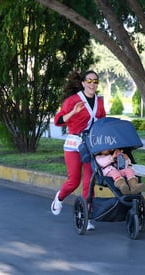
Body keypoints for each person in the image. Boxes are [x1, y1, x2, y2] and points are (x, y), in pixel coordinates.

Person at [51, 70, 106, 230]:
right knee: (74, 181)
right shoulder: (72, 100)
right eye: (89, 81)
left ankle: (86, 217)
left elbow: (102, 122)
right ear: (83, 83)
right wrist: (73, 112)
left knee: (89, 183)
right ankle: (59, 198)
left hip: (91, 146)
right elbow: (58, 121)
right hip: (74, 144)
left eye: (95, 81)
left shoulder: (99, 102)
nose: (92, 84)